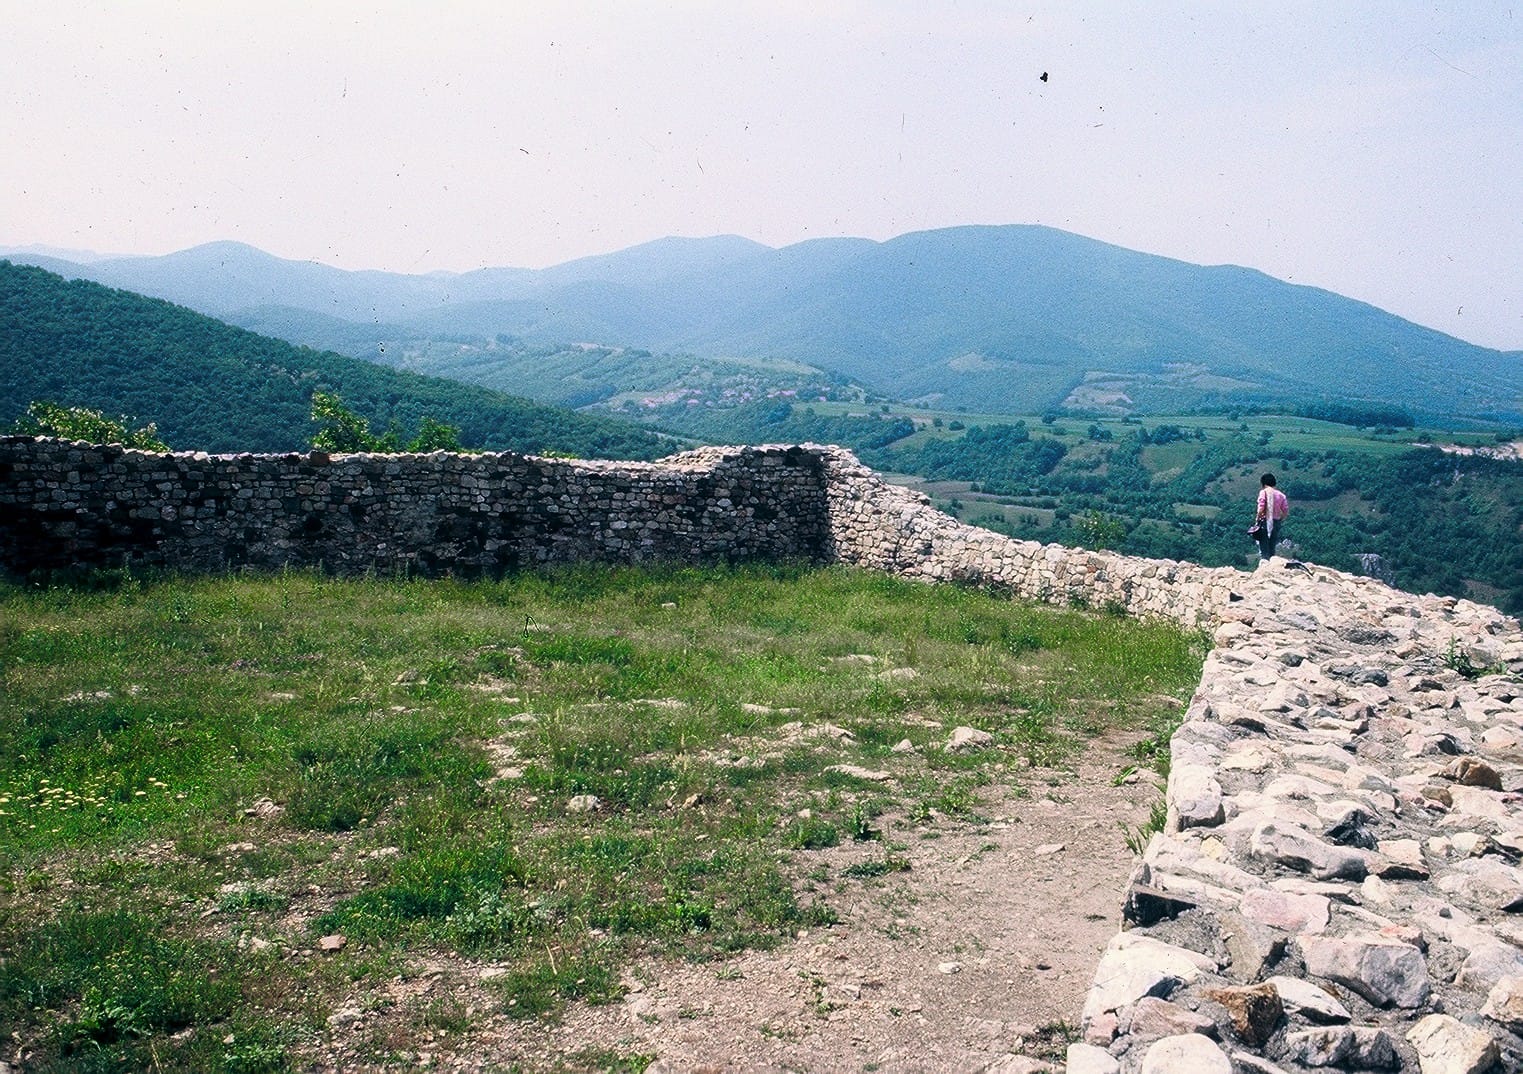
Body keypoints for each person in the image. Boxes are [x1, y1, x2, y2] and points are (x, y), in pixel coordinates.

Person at [1254, 473, 1289, 560]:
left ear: (1263, 483)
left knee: (1264, 546)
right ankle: (1272, 563)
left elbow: (1261, 508)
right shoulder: (1281, 495)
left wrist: (1258, 519)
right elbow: (1285, 510)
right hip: (1276, 522)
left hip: (1265, 521)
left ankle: (1265, 564)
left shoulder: (1263, 493)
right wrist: (1280, 519)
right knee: (1272, 545)